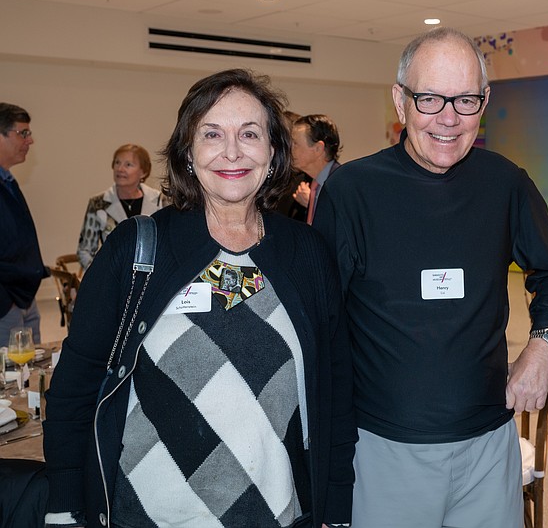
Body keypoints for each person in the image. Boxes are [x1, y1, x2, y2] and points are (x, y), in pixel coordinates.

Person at [43, 69, 355, 528]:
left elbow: (335, 392)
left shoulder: (306, 253)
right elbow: (73, 389)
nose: (232, 151)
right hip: (150, 515)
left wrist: (337, 509)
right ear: (188, 152)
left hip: (278, 514)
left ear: (273, 152)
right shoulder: (136, 249)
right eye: (212, 134)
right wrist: (64, 506)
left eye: (250, 133)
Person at [312, 27, 548, 528]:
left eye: (465, 100)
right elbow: (320, 323)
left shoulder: (504, 183)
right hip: (385, 448)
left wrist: (542, 345)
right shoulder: (353, 191)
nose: (448, 118)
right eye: (430, 99)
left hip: (489, 448)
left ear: (484, 101)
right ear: (400, 101)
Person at [0, 102, 50, 345]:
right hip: (6, 302)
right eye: (23, 133)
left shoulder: (7, 179)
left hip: (24, 297)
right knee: (8, 379)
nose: (30, 141)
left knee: (29, 374)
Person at [76, 143, 164, 270]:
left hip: (153, 277)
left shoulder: (160, 201)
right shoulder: (98, 203)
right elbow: (85, 250)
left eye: (128, 165)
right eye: (117, 163)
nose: (120, 169)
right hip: (112, 278)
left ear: (143, 172)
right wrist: (102, 276)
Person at [290, 114, 342, 225]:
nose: (289, 149)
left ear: (318, 148)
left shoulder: (341, 184)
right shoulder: (313, 183)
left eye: (295, 144)